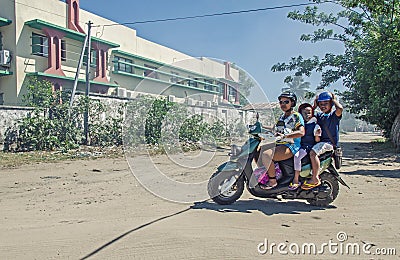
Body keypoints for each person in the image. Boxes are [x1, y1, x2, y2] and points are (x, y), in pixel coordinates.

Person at [259, 91, 305, 189]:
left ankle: (273, 181)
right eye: (281, 102)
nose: (283, 104)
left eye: (286, 102)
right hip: (280, 143)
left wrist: (285, 136)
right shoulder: (282, 117)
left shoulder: (296, 116)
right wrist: (261, 127)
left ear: (292, 103)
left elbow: (301, 132)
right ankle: (267, 173)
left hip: (291, 145)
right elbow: (274, 129)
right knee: (259, 150)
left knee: (266, 155)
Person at [301, 91, 343, 190]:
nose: (323, 106)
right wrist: (314, 106)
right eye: (321, 104)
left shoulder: (333, 116)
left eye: (326, 104)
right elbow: (308, 114)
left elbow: (340, 109)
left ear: (331, 104)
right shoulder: (319, 116)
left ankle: (315, 178)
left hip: (328, 143)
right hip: (319, 142)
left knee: (313, 153)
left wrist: (334, 100)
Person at [289, 103, 321, 190]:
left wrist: (317, 135)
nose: (307, 115)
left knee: (297, 157)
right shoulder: (299, 124)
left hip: (307, 146)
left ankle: (296, 180)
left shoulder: (314, 125)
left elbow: (317, 140)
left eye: (309, 113)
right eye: (304, 113)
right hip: (298, 145)